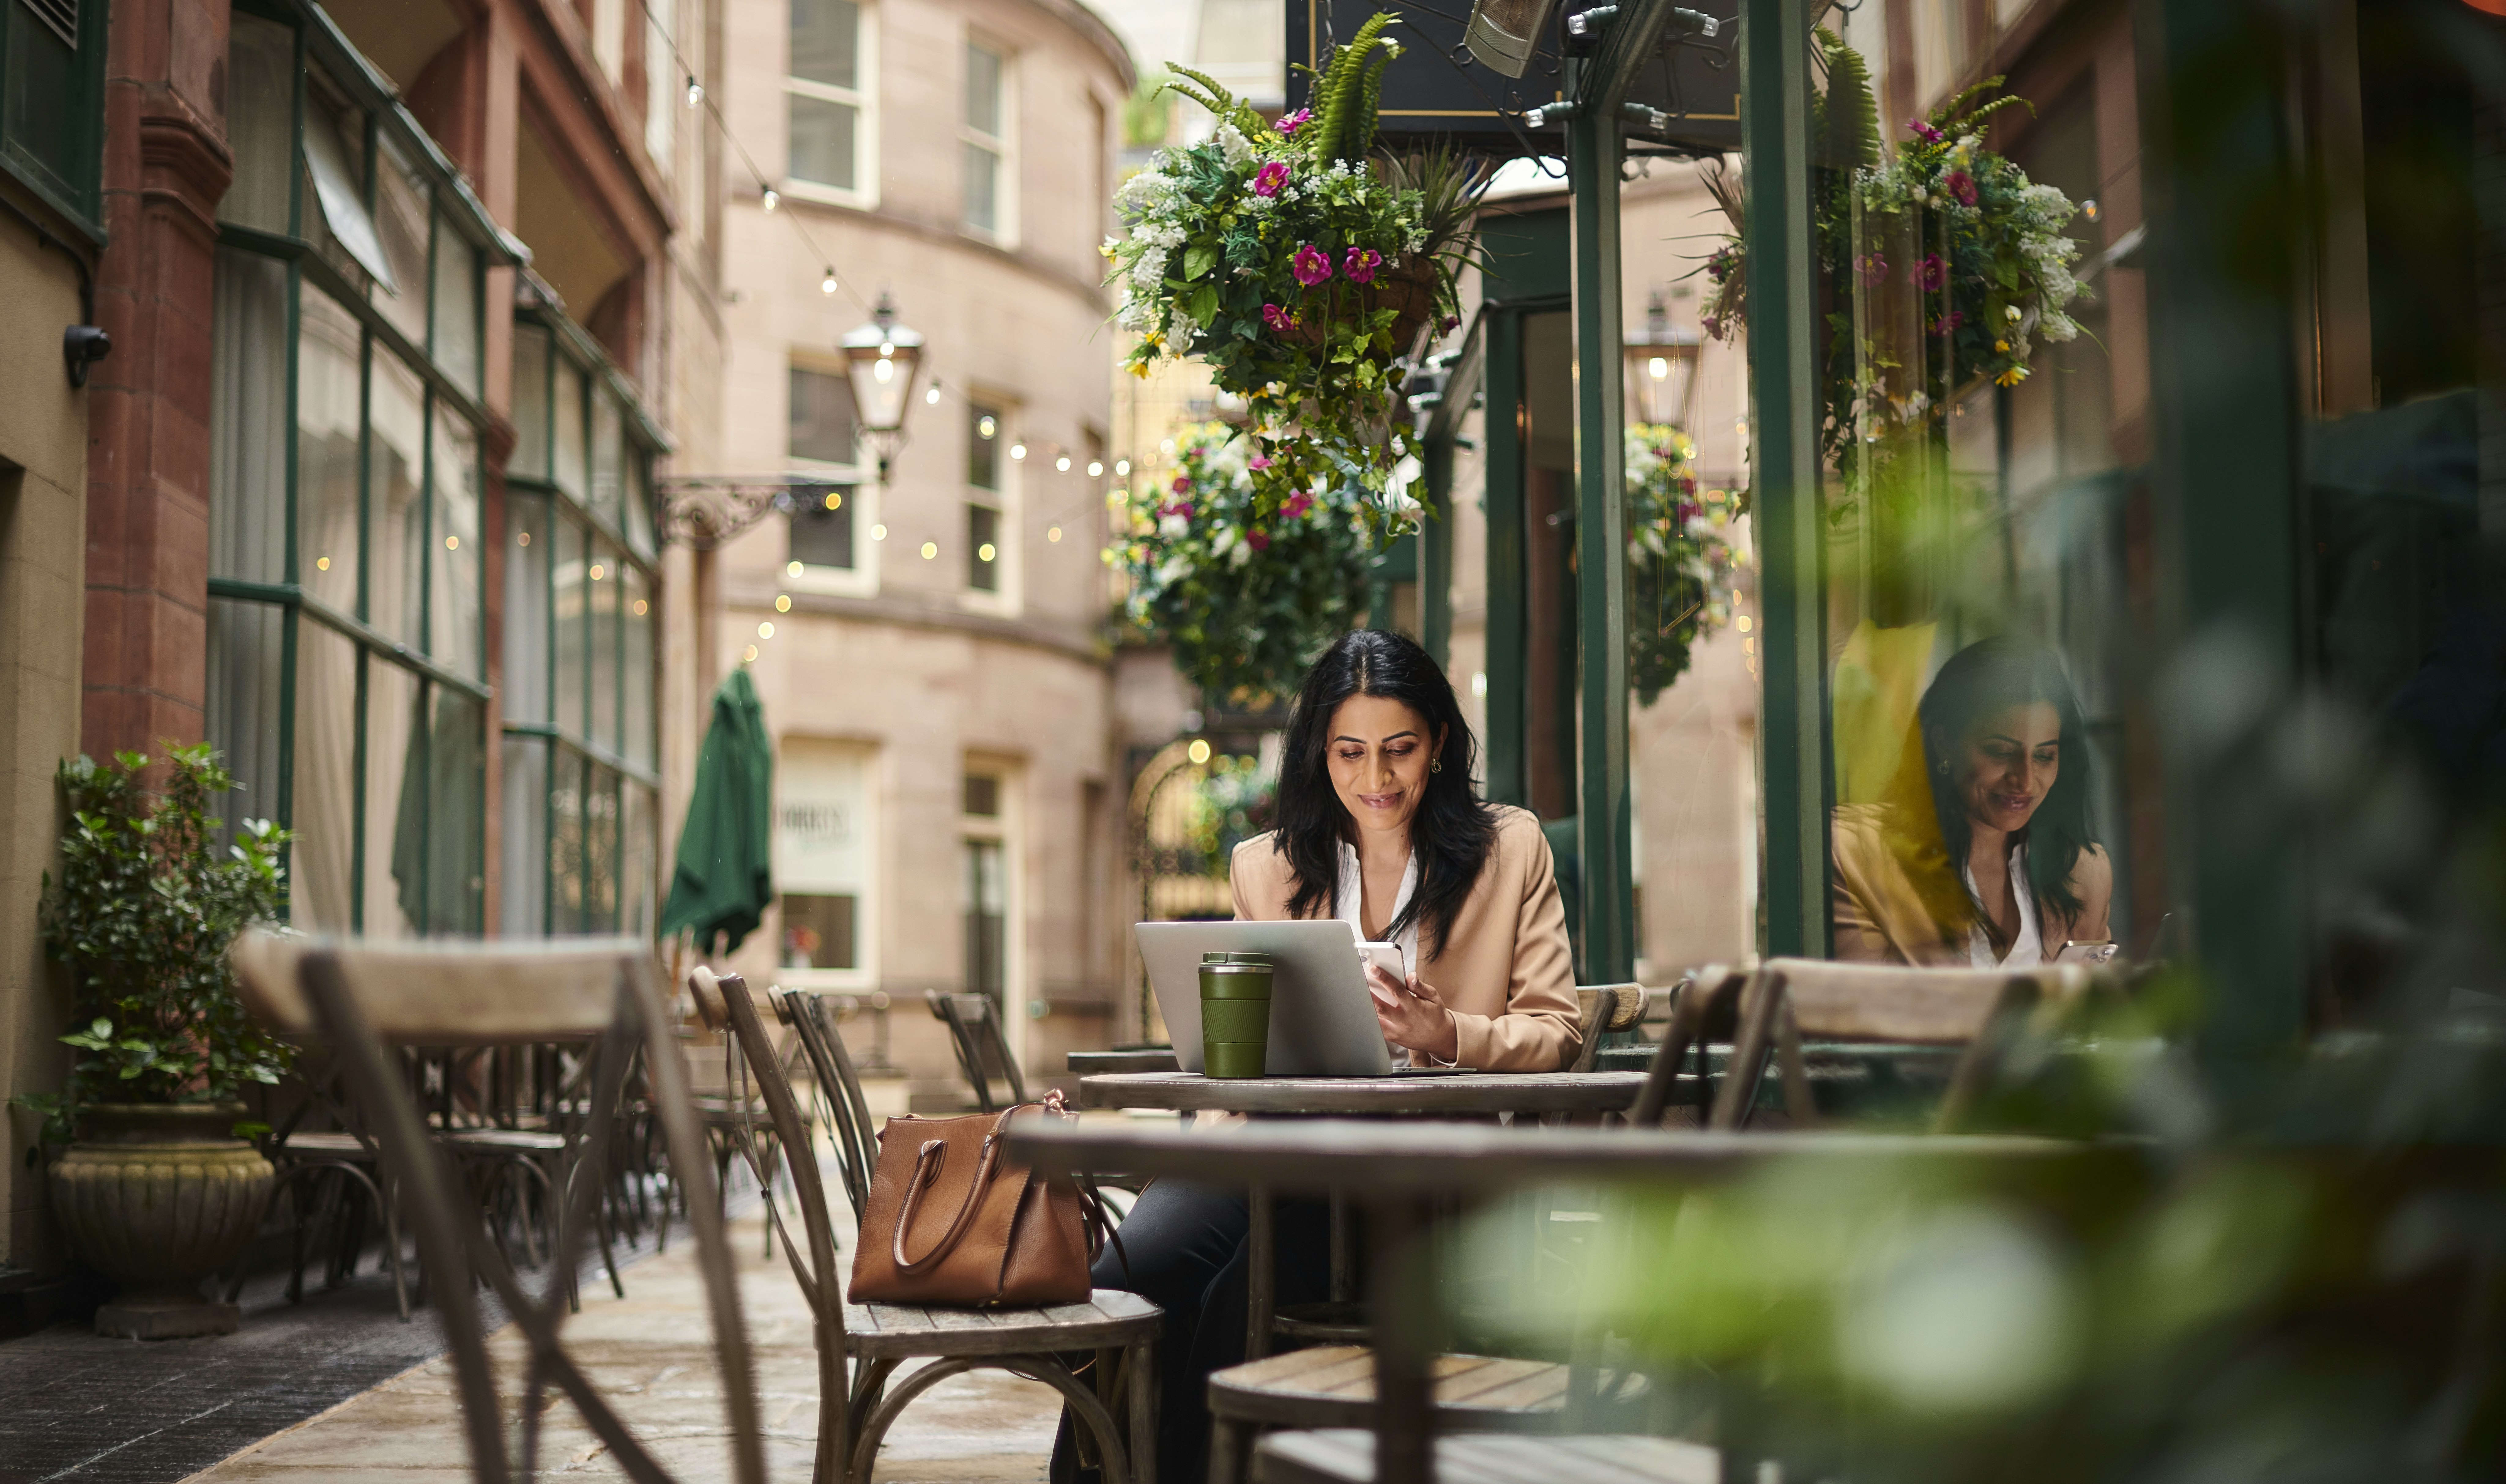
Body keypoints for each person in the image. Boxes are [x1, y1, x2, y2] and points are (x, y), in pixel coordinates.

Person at [1061, 629, 1580, 1484]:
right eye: (1350, 752)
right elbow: (1238, 1045)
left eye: (1399, 750)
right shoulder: (1265, 868)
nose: (1375, 779)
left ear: (1440, 743)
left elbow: (1555, 1030)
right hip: (1272, 1144)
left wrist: (1445, 1035)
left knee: (1242, 1297)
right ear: (1319, 753)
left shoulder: (1508, 848)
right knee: (1130, 1270)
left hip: (1425, 1174)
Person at [1833, 637, 2114, 966]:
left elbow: (2093, 1008)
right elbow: (1860, 1006)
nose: (2024, 780)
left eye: (2044, 756)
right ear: (1943, 744)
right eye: (1999, 752)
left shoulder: (2083, 874)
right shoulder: (1857, 854)